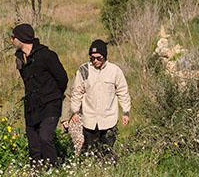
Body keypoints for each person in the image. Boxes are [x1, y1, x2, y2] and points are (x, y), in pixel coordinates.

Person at [10, 23, 68, 167]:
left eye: (13, 37)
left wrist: (54, 96)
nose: (11, 40)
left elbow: (62, 78)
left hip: (50, 104)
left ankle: (55, 171)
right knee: (34, 144)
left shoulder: (47, 55)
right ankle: (36, 175)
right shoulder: (20, 58)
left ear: (21, 39)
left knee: (45, 138)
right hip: (31, 105)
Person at [64, 39, 131, 161]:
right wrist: (75, 111)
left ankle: (108, 174)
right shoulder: (84, 70)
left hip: (108, 119)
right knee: (91, 152)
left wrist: (126, 112)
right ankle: (93, 174)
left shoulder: (115, 71)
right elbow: (77, 91)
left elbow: (123, 91)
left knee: (108, 151)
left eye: (98, 58)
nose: (95, 61)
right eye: (92, 58)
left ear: (104, 56)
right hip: (89, 120)